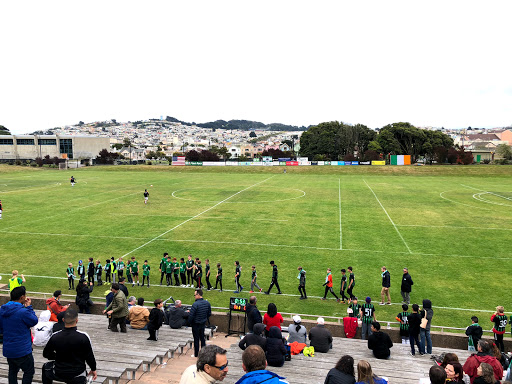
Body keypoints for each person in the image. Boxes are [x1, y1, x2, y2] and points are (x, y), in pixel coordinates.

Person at [42, 308, 97, 384]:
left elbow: (46, 353)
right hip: (77, 374)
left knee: (46, 367)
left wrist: (57, 356)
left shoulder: (55, 336)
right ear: (77, 320)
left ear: (63, 320)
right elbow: (89, 356)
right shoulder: (83, 337)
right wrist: (93, 369)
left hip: (59, 372)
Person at [0, 286, 38, 384]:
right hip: (22, 350)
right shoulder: (23, 311)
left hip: (9, 349)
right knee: (29, 371)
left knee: (12, 371)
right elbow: (34, 321)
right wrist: (29, 307)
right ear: (22, 297)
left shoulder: (2, 310)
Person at [189, 289, 212, 357]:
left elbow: (191, 315)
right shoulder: (207, 303)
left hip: (196, 324)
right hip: (203, 323)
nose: (194, 296)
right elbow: (209, 313)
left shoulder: (195, 304)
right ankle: (203, 353)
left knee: (196, 339)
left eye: (195, 295)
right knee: (202, 338)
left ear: (198, 295)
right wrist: (204, 319)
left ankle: (196, 354)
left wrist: (190, 323)